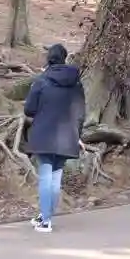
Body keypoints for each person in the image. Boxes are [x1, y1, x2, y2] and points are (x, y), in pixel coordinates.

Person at [23, 44, 85, 233]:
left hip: (44, 135)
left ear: (48, 58)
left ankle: (46, 220)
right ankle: (45, 215)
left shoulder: (41, 81)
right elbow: (80, 113)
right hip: (67, 136)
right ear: (64, 58)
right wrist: (78, 135)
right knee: (56, 178)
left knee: (45, 177)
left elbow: (29, 109)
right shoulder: (76, 83)